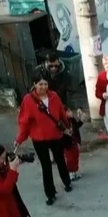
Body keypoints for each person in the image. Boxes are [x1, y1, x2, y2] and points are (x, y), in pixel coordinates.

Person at [14, 71, 73, 206]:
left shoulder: (54, 96)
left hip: (56, 135)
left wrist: (67, 128)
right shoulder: (28, 100)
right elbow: (24, 122)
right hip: (39, 139)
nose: (43, 87)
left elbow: (62, 115)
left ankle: (67, 182)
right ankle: (50, 193)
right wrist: (20, 138)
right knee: (46, 166)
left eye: (45, 84)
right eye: (40, 84)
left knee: (60, 161)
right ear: (34, 84)